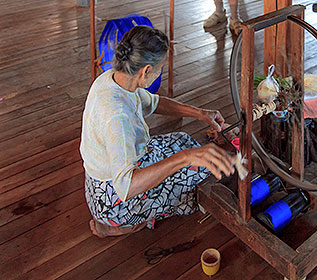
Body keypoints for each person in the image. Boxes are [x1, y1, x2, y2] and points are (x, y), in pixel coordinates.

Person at [80, 25, 236, 238]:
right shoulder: (117, 116)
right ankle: (118, 225)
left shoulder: (115, 79)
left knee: (183, 140)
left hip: (106, 179)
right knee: (198, 173)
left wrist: (200, 113)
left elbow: (153, 103)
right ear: (146, 71)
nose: (161, 71)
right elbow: (126, 187)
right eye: (161, 67)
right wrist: (185, 157)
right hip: (113, 201)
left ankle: (136, 217)